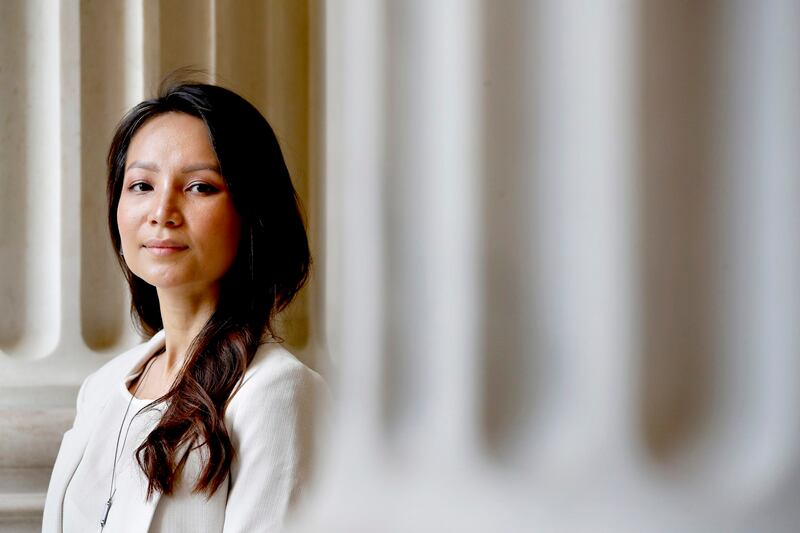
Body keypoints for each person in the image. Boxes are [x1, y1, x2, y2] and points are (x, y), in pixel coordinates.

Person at [42, 80, 327, 533]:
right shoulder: (101, 389)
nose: (162, 211)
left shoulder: (276, 393)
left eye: (198, 187)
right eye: (140, 185)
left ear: (252, 213)